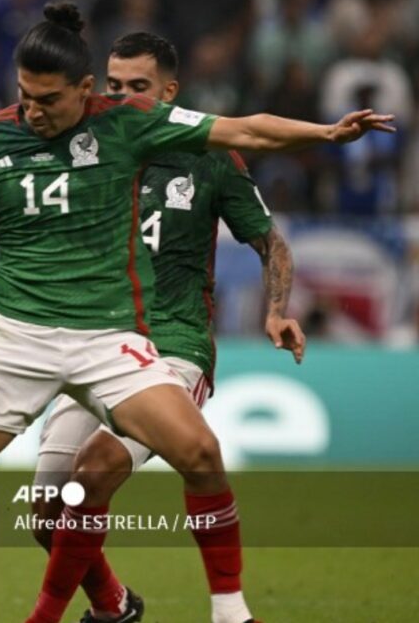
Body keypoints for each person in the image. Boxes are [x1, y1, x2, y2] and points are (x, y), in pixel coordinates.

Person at [0, 3, 392, 623]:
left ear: (84, 91)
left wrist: (325, 134)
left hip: (109, 337)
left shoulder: (130, 126)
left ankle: (231, 612)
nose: (33, 110)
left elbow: (247, 130)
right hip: (14, 336)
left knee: (200, 453)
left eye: (48, 99)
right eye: (24, 95)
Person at [30, 31, 303, 623]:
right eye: (114, 86)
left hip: (172, 348)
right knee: (46, 513)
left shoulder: (208, 156)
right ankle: (114, 606)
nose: (123, 98)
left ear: (170, 92)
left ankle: (225, 610)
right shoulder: (83, 146)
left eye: (139, 87)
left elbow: (270, 242)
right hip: (96, 343)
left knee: (95, 471)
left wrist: (277, 309)